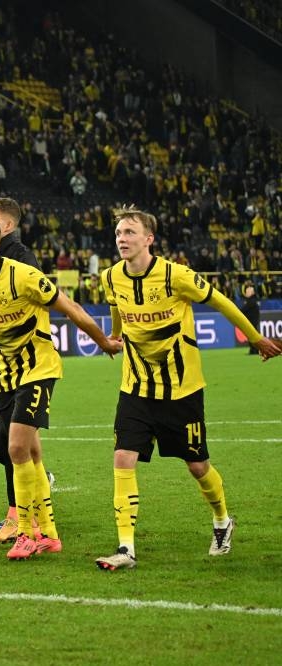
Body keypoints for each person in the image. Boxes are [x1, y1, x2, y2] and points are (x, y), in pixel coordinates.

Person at [94, 207, 281, 571]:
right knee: (123, 457)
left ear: (149, 238)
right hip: (136, 386)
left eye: (130, 232)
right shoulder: (110, 276)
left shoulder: (175, 275)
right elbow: (117, 308)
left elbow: (221, 301)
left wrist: (256, 338)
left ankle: (222, 520)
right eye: (119, 232)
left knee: (197, 465)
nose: (122, 238)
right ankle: (126, 547)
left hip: (182, 390)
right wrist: (115, 335)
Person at [0, 218, 121, 560]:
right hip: (4, 375)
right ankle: (48, 533)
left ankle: (25, 533)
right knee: (30, 453)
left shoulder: (24, 276)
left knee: (16, 447)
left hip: (38, 368)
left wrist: (104, 342)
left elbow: (72, 309)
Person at [0, 197, 46, 540]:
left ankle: (18, 514)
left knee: (11, 441)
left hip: (19, 366)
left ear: (4, 226)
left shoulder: (20, 260)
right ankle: (34, 484)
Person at [239, 284, 261, 355]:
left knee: (252, 337)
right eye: (246, 291)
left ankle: (255, 350)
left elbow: (243, 310)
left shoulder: (251, 301)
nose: (246, 293)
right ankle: (253, 350)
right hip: (252, 321)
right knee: (251, 337)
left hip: (252, 321)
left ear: (252, 293)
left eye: (248, 292)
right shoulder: (251, 300)